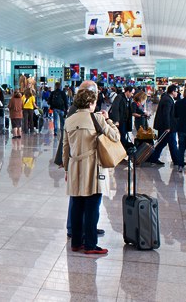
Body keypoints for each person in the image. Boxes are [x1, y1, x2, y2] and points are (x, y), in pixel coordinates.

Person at [63, 89, 119, 254]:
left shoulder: (69, 120)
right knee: (93, 205)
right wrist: (108, 120)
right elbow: (115, 137)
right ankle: (90, 245)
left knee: (77, 205)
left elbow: (66, 148)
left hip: (74, 166)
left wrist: (67, 169)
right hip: (92, 165)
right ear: (90, 103)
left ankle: (76, 243)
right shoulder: (97, 118)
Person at [147, 84, 181, 167]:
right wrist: (167, 126)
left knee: (162, 143)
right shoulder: (167, 100)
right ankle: (176, 161)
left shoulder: (167, 98)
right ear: (173, 92)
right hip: (167, 127)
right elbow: (166, 114)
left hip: (165, 126)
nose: (177, 93)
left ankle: (154, 158)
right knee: (171, 143)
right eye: (176, 91)